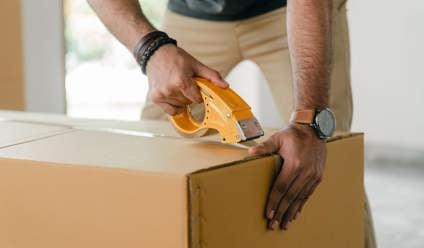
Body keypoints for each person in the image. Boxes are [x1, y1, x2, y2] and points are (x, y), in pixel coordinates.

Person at [88, 0, 376, 246]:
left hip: (287, 10)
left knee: (329, 157)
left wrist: (310, 121)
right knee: (160, 147)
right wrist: (150, 48)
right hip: (193, 13)